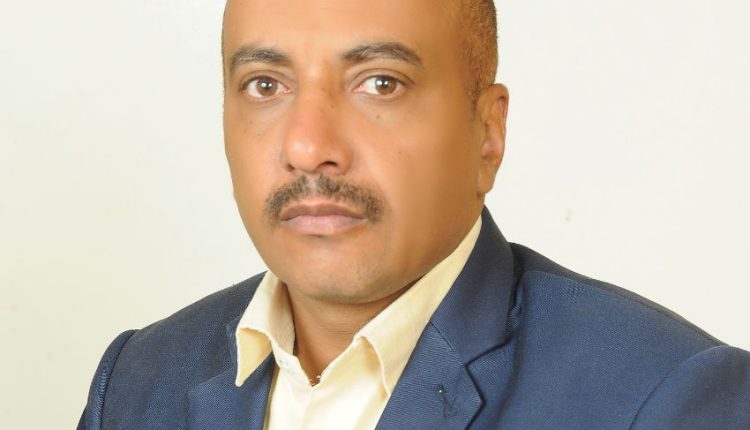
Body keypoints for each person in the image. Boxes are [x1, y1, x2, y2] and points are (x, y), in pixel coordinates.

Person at [78, 0, 750, 428]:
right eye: (265, 85)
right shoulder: (139, 380)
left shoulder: (664, 398)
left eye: (380, 83)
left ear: (487, 134)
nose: (308, 146)